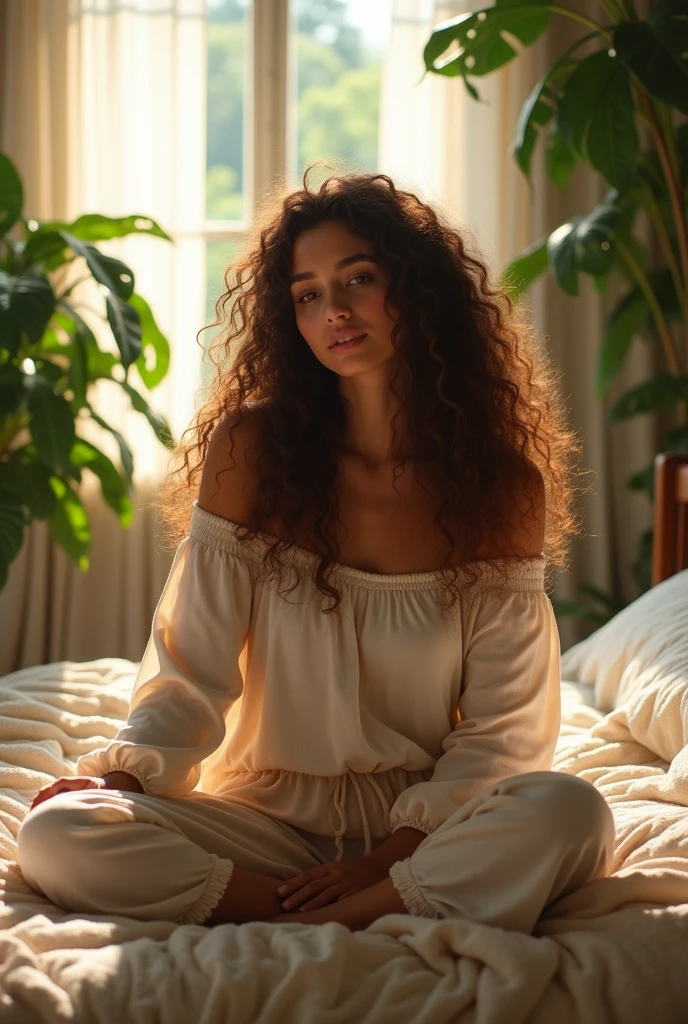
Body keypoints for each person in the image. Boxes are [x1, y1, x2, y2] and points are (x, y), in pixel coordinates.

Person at [16, 168, 615, 932]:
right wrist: (126, 779)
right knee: (57, 834)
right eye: (306, 293)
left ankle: (352, 906)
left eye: (358, 278)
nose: (333, 309)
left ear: (419, 290)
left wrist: (379, 862)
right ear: (288, 316)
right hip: (263, 817)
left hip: (422, 828)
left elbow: (503, 729)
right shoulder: (251, 452)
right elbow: (190, 667)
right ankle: (328, 916)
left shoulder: (501, 487)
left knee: (572, 810)